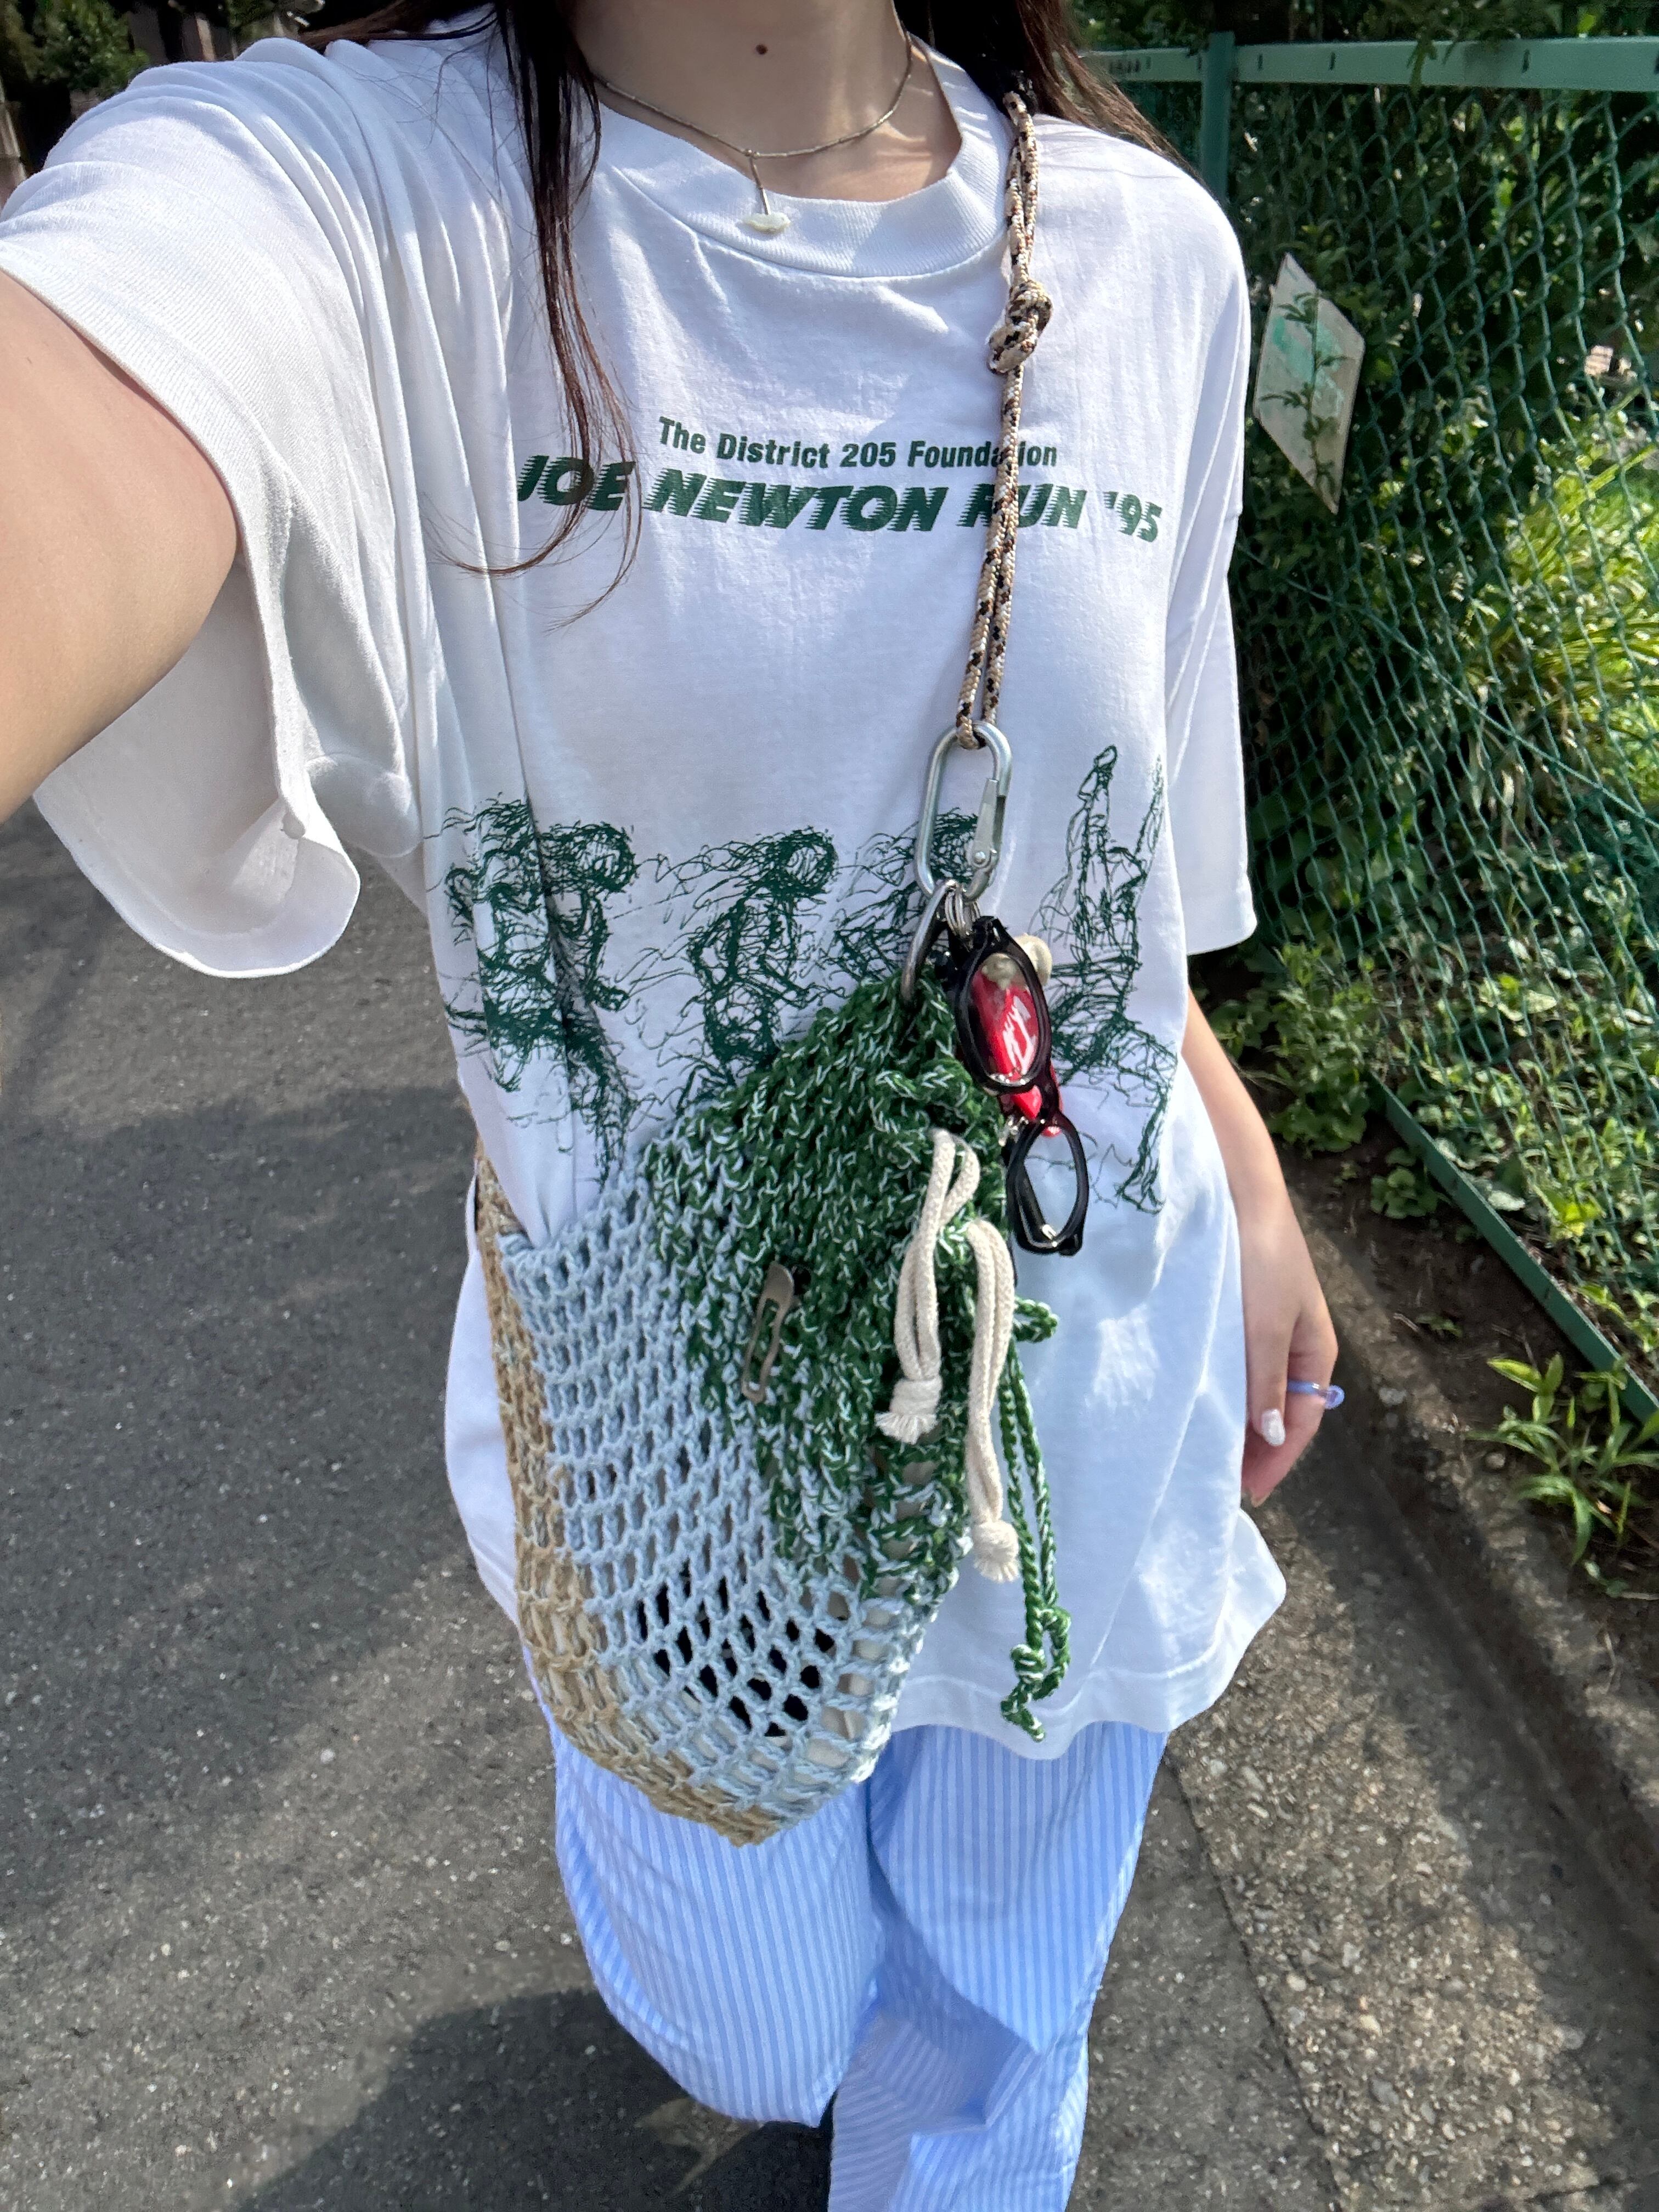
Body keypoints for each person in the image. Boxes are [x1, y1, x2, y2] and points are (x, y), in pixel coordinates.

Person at [0, 2, 1339, 2203]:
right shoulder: (358, 206)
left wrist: (1255, 1185)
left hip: (1089, 1365)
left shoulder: (1146, 254)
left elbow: (1128, 862)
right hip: (677, 1427)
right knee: (764, 2019)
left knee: (1007, 2010)